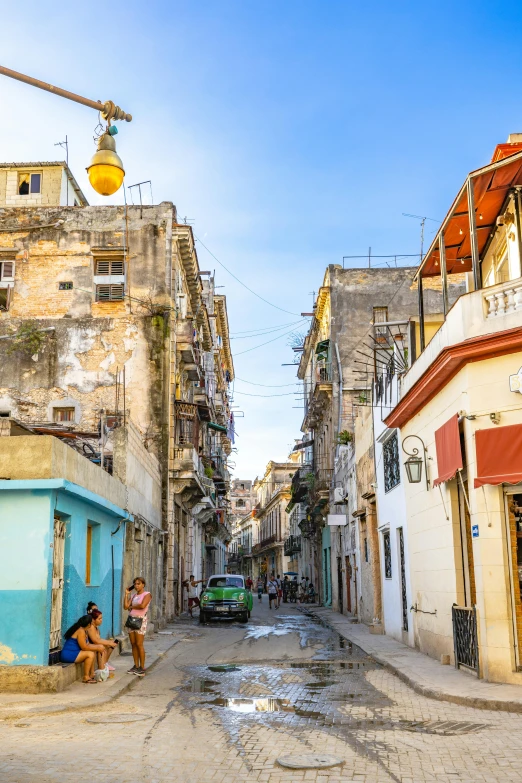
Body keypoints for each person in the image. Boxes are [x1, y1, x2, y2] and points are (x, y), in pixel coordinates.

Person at [60, 615, 105, 684]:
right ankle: (86, 677)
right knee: (90, 654)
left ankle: (91, 674)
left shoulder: (84, 630)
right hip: (69, 654)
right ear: (88, 624)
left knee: (93, 650)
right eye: (91, 622)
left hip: (74, 652)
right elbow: (84, 647)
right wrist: (97, 647)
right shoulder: (80, 631)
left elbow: (88, 645)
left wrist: (98, 647)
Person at [124, 577, 152, 677]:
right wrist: (127, 594)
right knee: (133, 644)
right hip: (131, 620)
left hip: (140, 620)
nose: (136, 586)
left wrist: (131, 607)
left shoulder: (147, 594)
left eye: (138, 584)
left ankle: (142, 667)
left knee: (139, 644)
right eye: (135, 584)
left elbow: (142, 606)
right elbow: (125, 606)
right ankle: (136, 665)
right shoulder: (134, 595)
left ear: (143, 584)